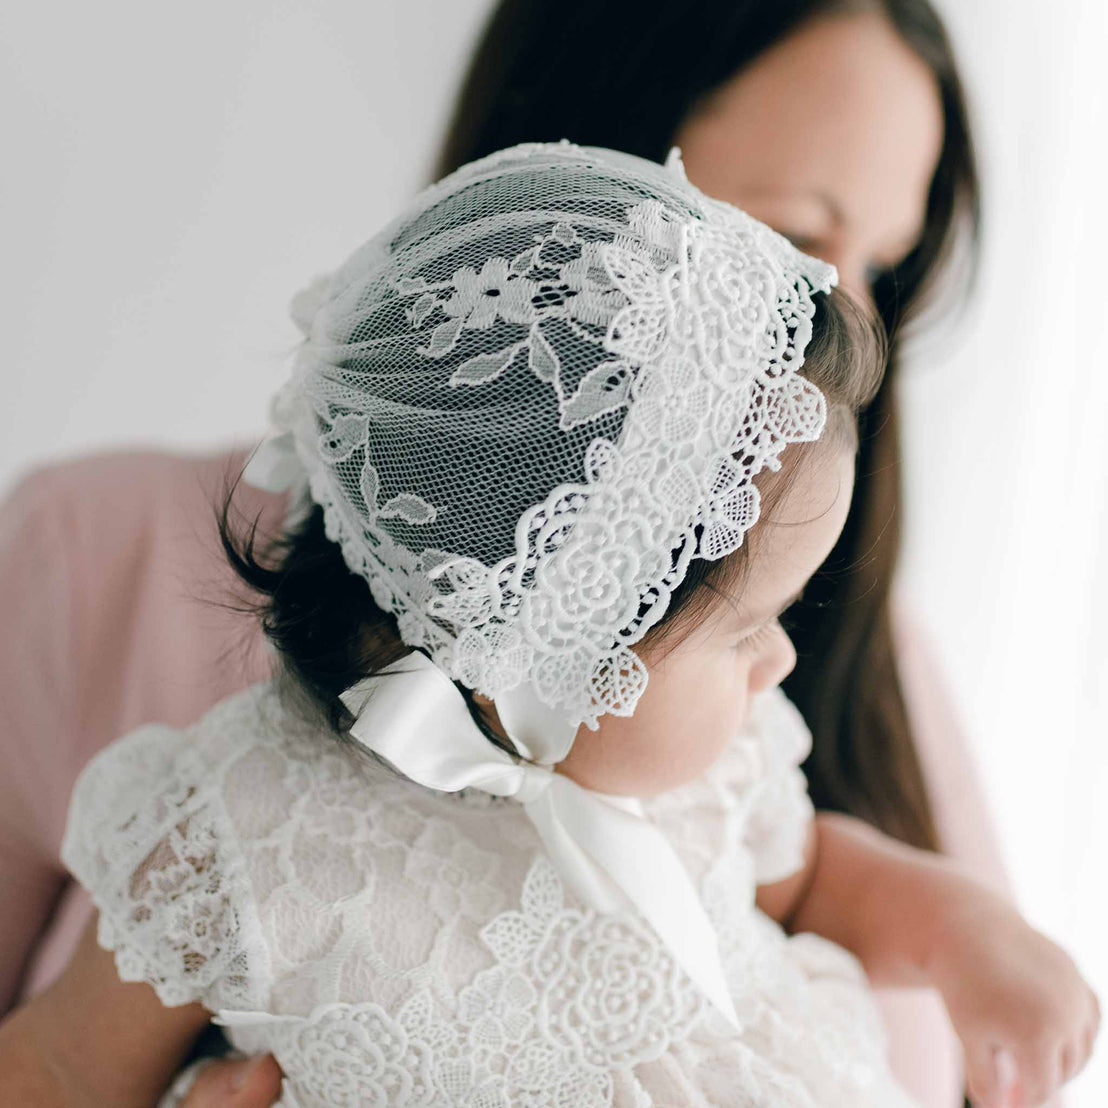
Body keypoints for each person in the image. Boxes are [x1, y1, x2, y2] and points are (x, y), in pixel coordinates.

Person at [0, 2, 1008, 1105]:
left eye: (888, 265)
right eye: (795, 243)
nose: (838, 312)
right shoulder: (251, 820)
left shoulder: (737, 749)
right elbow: (56, 1062)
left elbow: (809, 873)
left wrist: (961, 927)